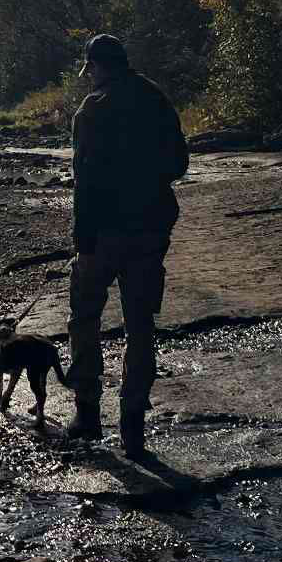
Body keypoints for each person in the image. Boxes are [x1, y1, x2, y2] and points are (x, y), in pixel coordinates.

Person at [64, 32, 188, 459]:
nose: (90, 77)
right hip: (150, 229)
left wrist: (83, 239)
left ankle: (87, 414)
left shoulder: (91, 110)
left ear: (97, 67)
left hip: (103, 233)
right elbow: (179, 164)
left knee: (84, 317)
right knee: (140, 323)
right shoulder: (155, 98)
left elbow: (84, 181)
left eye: (90, 70)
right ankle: (132, 423)